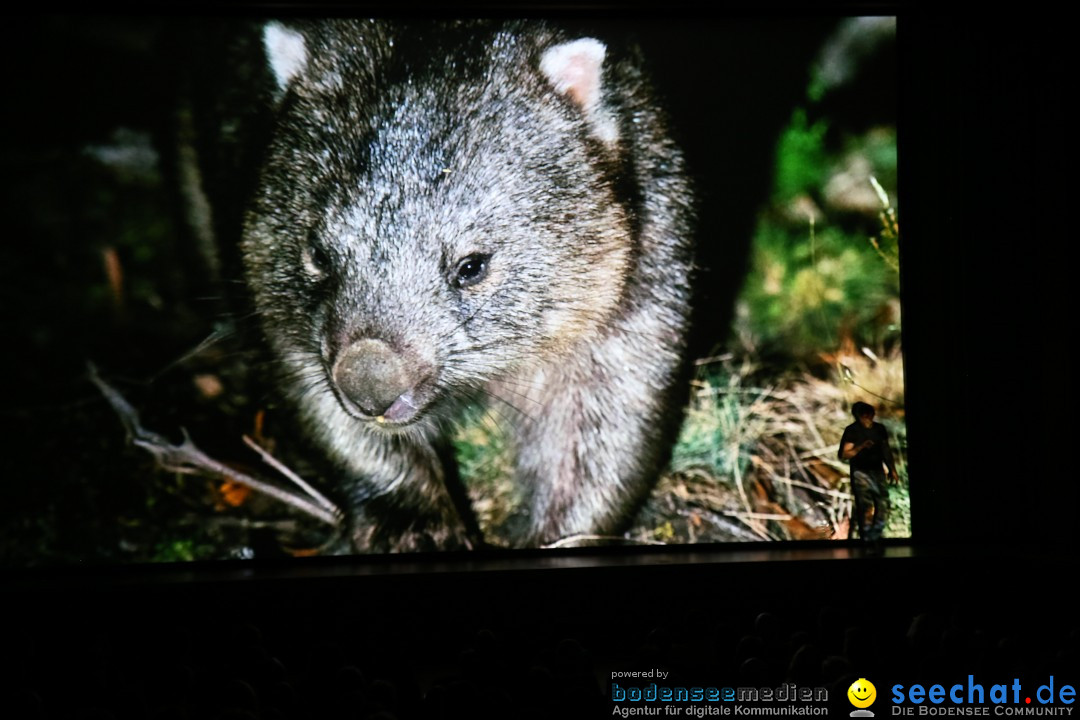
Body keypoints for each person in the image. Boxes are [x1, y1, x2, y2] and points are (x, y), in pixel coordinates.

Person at [838, 402, 898, 541]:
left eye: (870, 416)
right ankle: (866, 538)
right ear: (859, 416)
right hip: (860, 472)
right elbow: (844, 454)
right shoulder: (852, 430)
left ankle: (876, 535)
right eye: (864, 417)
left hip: (877, 470)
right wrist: (860, 447)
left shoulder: (879, 429)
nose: (867, 419)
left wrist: (892, 469)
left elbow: (885, 450)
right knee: (865, 506)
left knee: (883, 503)